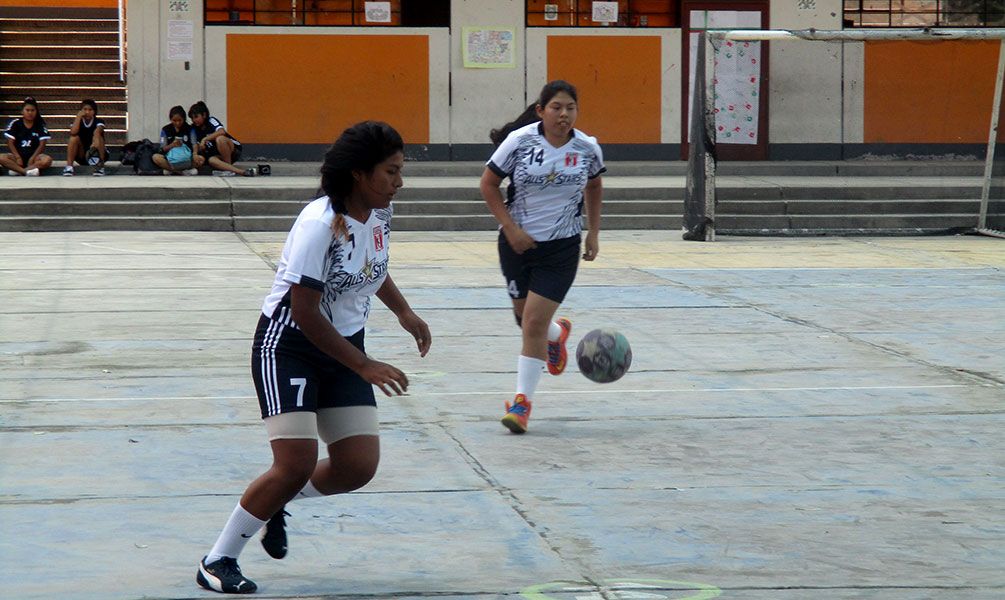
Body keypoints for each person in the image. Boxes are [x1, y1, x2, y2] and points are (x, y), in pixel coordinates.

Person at [196, 120, 431, 594]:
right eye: (391, 171)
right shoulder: (319, 224)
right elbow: (303, 311)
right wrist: (363, 365)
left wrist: (404, 311)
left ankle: (275, 502)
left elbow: (372, 269)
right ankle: (218, 559)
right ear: (360, 175)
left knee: (356, 467)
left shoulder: (379, 214)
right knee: (295, 463)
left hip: (343, 344)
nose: (399, 182)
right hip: (288, 347)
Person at [480, 80, 605, 434]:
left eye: (570, 108)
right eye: (556, 107)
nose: (563, 114)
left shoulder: (587, 148)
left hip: (562, 248)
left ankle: (521, 405)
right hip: (517, 245)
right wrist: (511, 228)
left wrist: (593, 232)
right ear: (541, 110)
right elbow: (488, 185)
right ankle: (557, 334)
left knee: (531, 323)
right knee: (526, 321)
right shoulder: (519, 143)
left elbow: (594, 185)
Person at [189, 101, 255, 177]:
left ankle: (228, 166)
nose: (194, 120)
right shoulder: (193, 129)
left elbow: (222, 131)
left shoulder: (211, 120)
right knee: (211, 160)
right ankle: (241, 172)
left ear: (204, 115)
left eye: (196, 117)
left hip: (232, 149)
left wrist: (205, 139)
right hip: (218, 154)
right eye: (192, 118)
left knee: (220, 139)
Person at [1, 97, 52, 176]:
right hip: (17, 156)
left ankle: (19, 170)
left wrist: (32, 158)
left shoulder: (40, 125)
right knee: (1, 157)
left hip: (34, 157)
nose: (30, 113)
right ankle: (26, 172)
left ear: (36, 112)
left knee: (47, 160)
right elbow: (10, 142)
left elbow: (42, 144)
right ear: (22, 111)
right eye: (27, 110)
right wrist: (17, 157)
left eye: (32, 110)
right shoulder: (15, 123)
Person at [152, 105, 204, 175]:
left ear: (184, 119)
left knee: (201, 159)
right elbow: (162, 149)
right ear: (170, 119)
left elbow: (194, 143)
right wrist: (172, 145)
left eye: (180, 120)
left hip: (186, 158)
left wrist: (195, 154)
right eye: (174, 120)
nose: (177, 123)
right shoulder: (166, 129)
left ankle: (172, 171)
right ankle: (181, 172)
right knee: (155, 157)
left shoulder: (190, 129)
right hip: (171, 159)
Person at [63, 98, 107, 177]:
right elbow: (73, 132)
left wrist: (94, 144)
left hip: (96, 153)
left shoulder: (99, 121)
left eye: (90, 110)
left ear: (94, 111)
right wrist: (78, 117)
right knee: (73, 138)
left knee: (98, 137)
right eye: (85, 109)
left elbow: (98, 131)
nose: (87, 112)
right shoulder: (77, 121)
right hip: (82, 154)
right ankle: (69, 167)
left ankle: (99, 167)